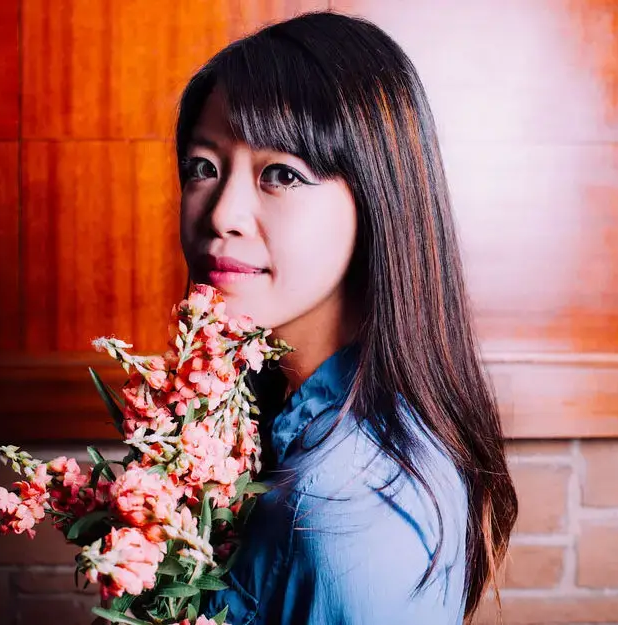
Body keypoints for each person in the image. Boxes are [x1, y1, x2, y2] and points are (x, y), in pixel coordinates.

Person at [176, 11, 518, 625]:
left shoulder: (347, 508)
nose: (221, 213)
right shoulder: (277, 412)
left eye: (280, 174)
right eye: (203, 167)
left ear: (377, 198)